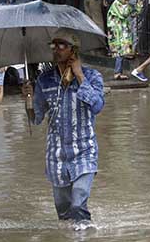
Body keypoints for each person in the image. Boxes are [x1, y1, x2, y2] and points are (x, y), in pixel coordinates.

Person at [21, 29, 104, 229]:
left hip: (84, 151)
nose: (56, 50)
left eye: (62, 46)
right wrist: (28, 100)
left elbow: (97, 106)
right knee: (64, 213)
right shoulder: (44, 80)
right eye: (53, 45)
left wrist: (79, 75)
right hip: (56, 156)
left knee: (78, 205)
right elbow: (36, 119)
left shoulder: (92, 76)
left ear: (73, 51)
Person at [107, 0, 144, 80]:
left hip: (122, 31)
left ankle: (118, 72)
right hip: (116, 32)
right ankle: (117, 72)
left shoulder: (123, 5)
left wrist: (139, 5)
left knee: (122, 52)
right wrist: (128, 6)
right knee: (119, 52)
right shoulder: (116, 4)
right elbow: (124, 14)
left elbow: (133, 14)